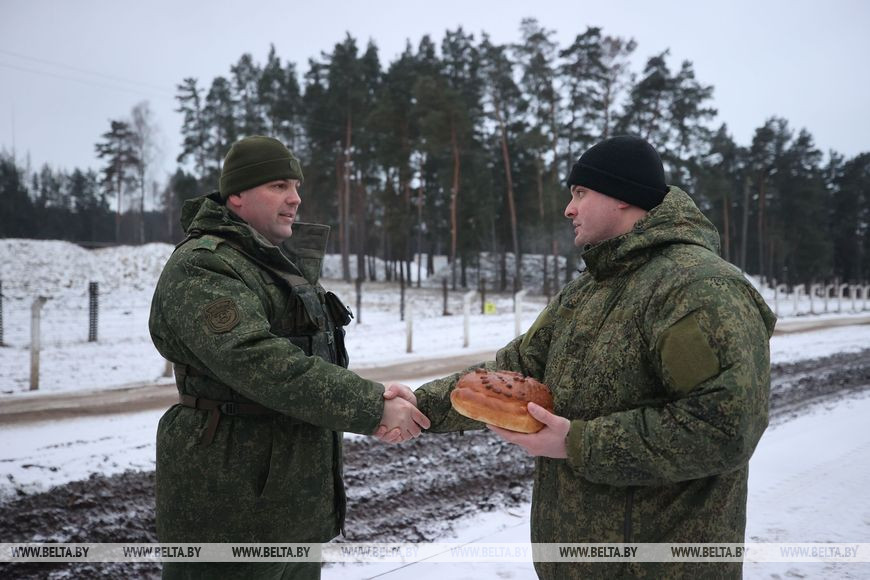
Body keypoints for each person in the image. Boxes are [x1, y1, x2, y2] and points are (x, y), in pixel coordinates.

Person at [392, 135, 776, 578]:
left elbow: (724, 427)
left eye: (580, 193)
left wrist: (578, 442)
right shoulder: (587, 290)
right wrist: (420, 406)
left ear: (623, 197)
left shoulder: (697, 289)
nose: (568, 209)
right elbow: (515, 372)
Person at [149, 135, 429, 580]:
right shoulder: (204, 266)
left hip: (289, 503)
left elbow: (314, 360)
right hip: (231, 510)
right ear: (236, 195)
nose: (295, 199)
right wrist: (372, 405)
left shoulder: (276, 266)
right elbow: (259, 361)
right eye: (279, 185)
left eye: (296, 186)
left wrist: (377, 403)